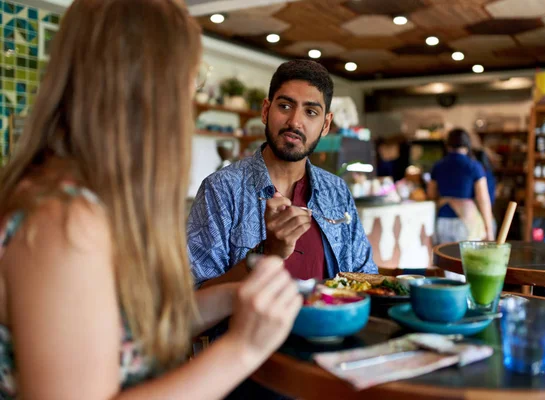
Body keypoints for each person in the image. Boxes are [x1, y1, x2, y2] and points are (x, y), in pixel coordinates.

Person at [0, 0, 301, 399]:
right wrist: (242, 349)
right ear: (148, 91)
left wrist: (236, 296)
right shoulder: (63, 221)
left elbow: (127, 332)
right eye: (189, 83)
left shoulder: (89, 201)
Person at [187, 59, 377, 289]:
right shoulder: (221, 189)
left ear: (326, 125)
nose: (295, 122)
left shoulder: (336, 191)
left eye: (311, 112)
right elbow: (195, 296)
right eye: (285, 106)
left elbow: (365, 276)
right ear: (266, 111)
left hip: (332, 323)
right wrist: (265, 254)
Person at [427, 128, 495, 244]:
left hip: (443, 220)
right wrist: (489, 229)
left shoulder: (438, 166)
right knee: (466, 260)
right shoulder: (474, 166)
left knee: (446, 259)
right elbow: (483, 199)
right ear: (467, 145)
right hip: (466, 221)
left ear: (447, 145)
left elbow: (431, 194)